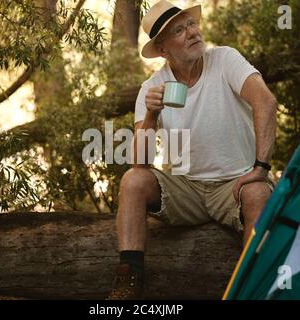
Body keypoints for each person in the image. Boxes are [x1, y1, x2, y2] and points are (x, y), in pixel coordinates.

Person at [108, 0, 277, 300]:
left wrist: (260, 167)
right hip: (186, 191)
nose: (192, 32)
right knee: (133, 180)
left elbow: (265, 102)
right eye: (179, 30)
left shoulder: (225, 59)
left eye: (191, 25)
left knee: (259, 192)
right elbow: (140, 162)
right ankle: (128, 283)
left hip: (233, 186)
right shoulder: (152, 87)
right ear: (163, 50)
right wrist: (151, 115)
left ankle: (253, 288)